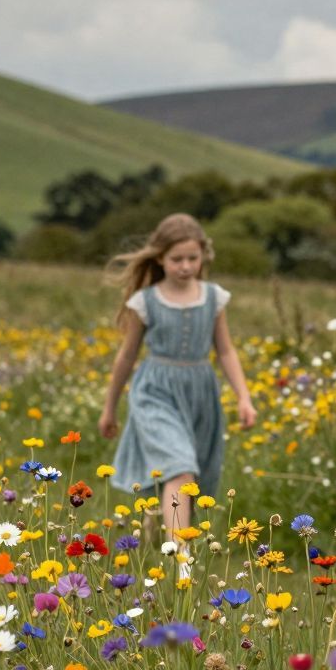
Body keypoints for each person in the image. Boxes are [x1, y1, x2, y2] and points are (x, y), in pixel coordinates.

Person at [98, 213, 256, 553]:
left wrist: (244, 397)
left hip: (200, 392)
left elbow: (225, 350)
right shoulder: (146, 301)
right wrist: (109, 408)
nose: (185, 266)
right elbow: (126, 357)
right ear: (159, 258)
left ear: (203, 256)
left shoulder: (214, 298)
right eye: (177, 259)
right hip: (155, 391)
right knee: (180, 467)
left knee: (188, 474)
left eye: (193, 258)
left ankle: (156, 525)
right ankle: (180, 557)